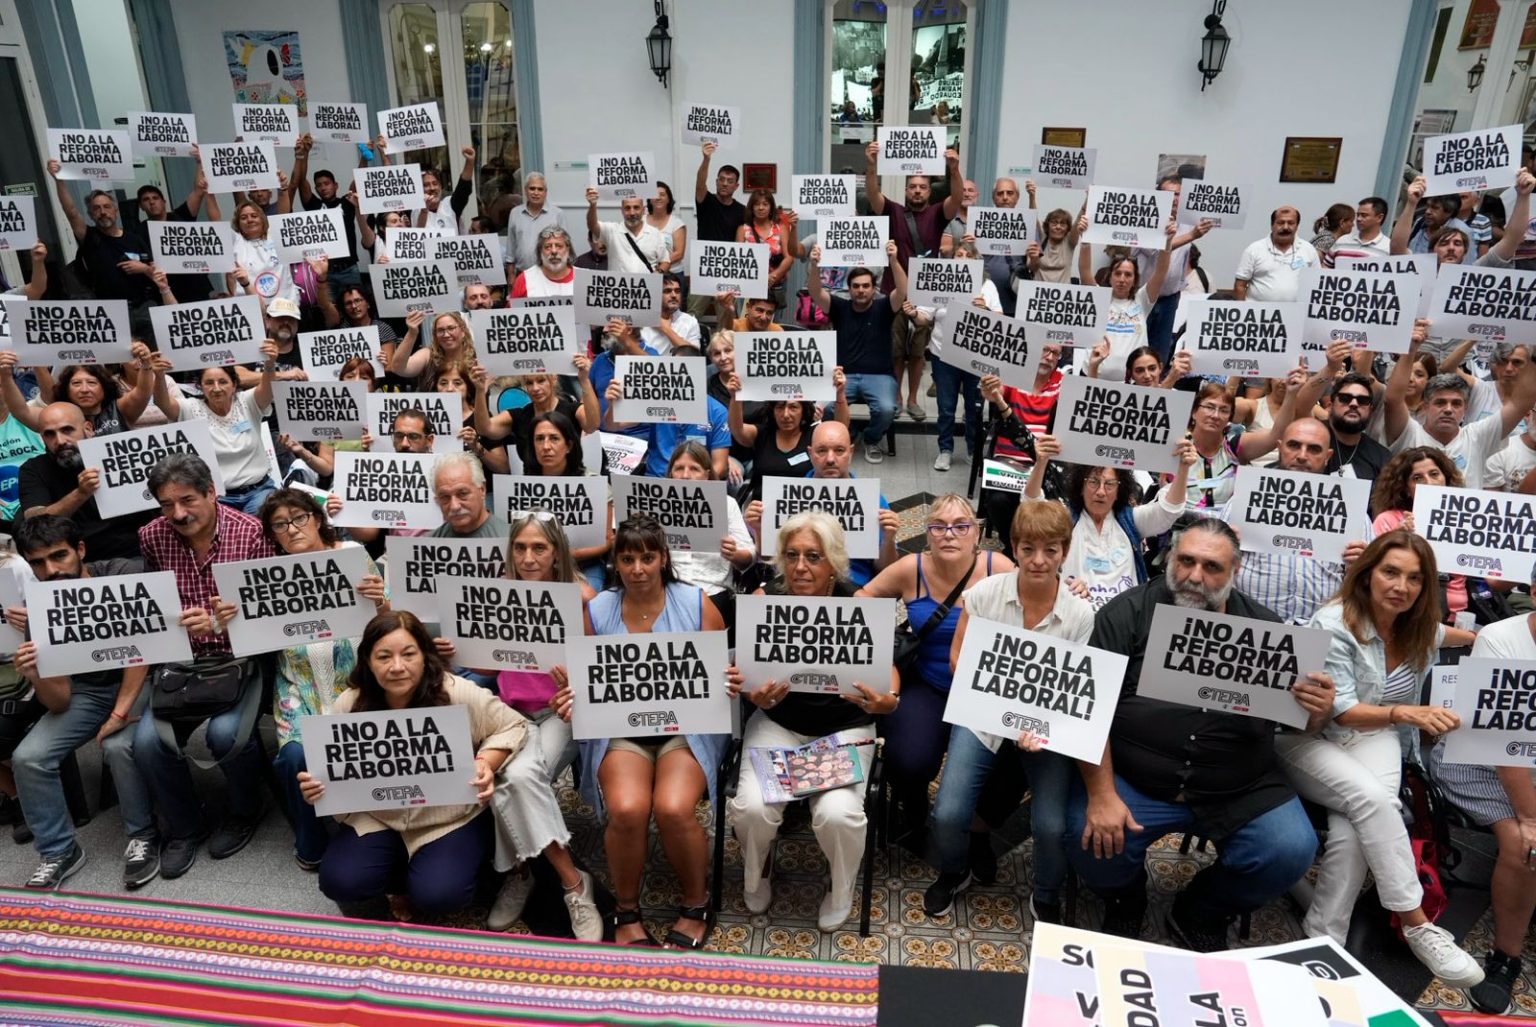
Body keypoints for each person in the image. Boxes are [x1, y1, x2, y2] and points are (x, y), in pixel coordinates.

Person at [1069, 519, 1336, 951]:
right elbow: (1088, 710)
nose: (1195, 576)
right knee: (1084, 836)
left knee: (1289, 849)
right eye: (1186, 560)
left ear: (1236, 571)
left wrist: (1318, 714)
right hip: (1137, 778)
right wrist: (1101, 795)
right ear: (1169, 558)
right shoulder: (1127, 613)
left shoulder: (1268, 630)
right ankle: (1125, 894)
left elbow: (1295, 722)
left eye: (1211, 567)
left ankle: (1203, 907)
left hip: (1237, 783)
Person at [1275, 532, 1481, 985]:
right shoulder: (1333, 621)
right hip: (1310, 737)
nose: (1401, 586)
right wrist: (1404, 711)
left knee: (1355, 832)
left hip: (1379, 736)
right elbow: (1343, 712)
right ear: (1367, 573)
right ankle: (1418, 924)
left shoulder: (1418, 626)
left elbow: (1446, 633)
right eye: (1390, 572)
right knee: (1375, 802)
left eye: (1414, 578)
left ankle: (1322, 941)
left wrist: (1483, 640)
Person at [550, 515, 729, 948]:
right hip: (621, 731)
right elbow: (587, 682)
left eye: (648, 557)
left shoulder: (697, 602)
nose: (638, 569)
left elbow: (720, 675)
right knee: (628, 808)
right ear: (616, 562)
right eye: (628, 558)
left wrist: (731, 679)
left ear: (663, 558)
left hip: (685, 730)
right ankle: (626, 908)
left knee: (671, 807)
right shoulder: (598, 610)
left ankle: (695, 900)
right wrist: (571, 698)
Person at [923, 500, 1092, 922]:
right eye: (1029, 548)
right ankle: (954, 868)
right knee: (947, 812)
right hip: (983, 715)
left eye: (1051, 550)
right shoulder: (983, 595)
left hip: (1047, 726)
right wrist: (1002, 707)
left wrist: (1040, 724)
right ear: (1014, 547)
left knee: (1052, 826)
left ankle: (1048, 892)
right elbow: (958, 659)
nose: (1039, 560)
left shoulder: (1079, 614)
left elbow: (1077, 687)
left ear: (1065, 551)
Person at [724, 511, 892, 931]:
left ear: (833, 562)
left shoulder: (859, 604)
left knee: (838, 814)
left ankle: (841, 886)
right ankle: (756, 868)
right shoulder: (764, 599)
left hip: (844, 727)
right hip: (779, 722)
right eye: (793, 555)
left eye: (813, 556)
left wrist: (885, 702)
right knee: (750, 808)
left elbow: (889, 679)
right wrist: (751, 694)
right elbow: (742, 673)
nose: (801, 566)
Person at [298, 610, 524, 921]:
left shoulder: (456, 691)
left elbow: (514, 726)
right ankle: (398, 884)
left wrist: (485, 761)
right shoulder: (349, 704)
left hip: (448, 818)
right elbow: (332, 772)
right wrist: (317, 787)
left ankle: (451, 869)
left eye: (408, 654)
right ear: (367, 661)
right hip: (379, 817)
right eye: (383, 657)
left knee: (440, 895)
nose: (397, 667)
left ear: (424, 655)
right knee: (341, 880)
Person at [207, 490, 390, 871]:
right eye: (279, 524)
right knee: (293, 756)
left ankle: (373, 827)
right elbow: (245, 633)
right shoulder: (264, 575)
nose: (291, 529)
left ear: (317, 518)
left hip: (356, 684)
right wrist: (225, 620)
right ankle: (310, 837)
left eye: (299, 518)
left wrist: (380, 600)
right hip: (297, 688)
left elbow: (390, 623)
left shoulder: (351, 554)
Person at [133, 453, 279, 879]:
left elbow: (273, 612)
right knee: (147, 744)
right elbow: (151, 604)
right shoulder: (151, 536)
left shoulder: (251, 534)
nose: (177, 513)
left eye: (188, 500)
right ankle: (184, 827)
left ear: (212, 493)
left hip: (240, 657)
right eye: (166, 504)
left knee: (225, 734)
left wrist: (222, 620)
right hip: (180, 664)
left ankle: (244, 809)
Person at [8, 515, 157, 889]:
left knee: (119, 745)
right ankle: (59, 851)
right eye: (38, 563)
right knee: (28, 757)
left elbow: (144, 651)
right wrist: (35, 673)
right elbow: (59, 703)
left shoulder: (122, 574)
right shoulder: (40, 608)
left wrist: (121, 712)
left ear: (81, 550)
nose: (51, 570)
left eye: (59, 556)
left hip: (143, 679)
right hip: (86, 693)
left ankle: (143, 836)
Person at [858, 495, 1011, 843]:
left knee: (1001, 766)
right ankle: (913, 806)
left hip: (983, 691)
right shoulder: (911, 568)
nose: (949, 534)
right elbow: (863, 600)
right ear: (927, 535)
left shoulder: (998, 567)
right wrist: (877, 644)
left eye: (961, 526)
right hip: (929, 682)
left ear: (977, 533)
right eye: (938, 526)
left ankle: (978, 830)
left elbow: (1039, 595)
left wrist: (1070, 586)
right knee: (907, 758)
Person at [479, 512, 603, 940]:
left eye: (539, 548)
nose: (528, 557)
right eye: (520, 548)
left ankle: (524, 873)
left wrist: (576, 685)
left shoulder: (579, 597)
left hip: (557, 714)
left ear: (556, 553)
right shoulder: (497, 593)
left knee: (515, 776)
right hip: (509, 715)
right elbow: (485, 661)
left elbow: (595, 670)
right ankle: (568, 879)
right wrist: (454, 649)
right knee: (510, 775)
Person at [1427, 599, 1536, 1013]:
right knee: (1522, 844)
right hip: (1479, 761)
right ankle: (1505, 958)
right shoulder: (1500, 640)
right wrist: (1529, 817)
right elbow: (1500, 743)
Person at [1025, 434, 1194, 609]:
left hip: (1124, 620)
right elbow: (1031, 510)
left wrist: (1183, 468)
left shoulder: (1131, 521)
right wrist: (1041, 462)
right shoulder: (1065, 520)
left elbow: (1169, 511)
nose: (1100, 491)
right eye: (1093, 482)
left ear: (1119, 491)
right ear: (1080, 488)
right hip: (1076, 615)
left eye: (1110, 484)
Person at [865, 139, 965, 418]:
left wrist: (954, 170)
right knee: (895, 350)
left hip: (927, 293)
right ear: (906, 190)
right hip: (893, 291)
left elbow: (957, 198)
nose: (917, 190)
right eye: (913, 186)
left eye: (922, 186)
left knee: (918, 352)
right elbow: (873, 195)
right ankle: (896, 396)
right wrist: (872, 166)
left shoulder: (937, 213)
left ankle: (912, 399)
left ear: (929, 191)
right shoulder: (894, 210)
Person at [743, 420, 900, 588]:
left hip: (852, 585)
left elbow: (886, 569)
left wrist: (888, 540)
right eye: (822, 451)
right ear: (811, 453)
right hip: (798, 583)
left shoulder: (872, 500)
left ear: (851, 452)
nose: (830, 459)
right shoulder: (786, 496)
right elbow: (767, 558)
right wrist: (759, 530)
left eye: (839, 450)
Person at [1381, 328, 1536, 490]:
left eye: (1456, 404)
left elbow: (1521, 403)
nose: (1448, 409)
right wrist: (1411, 350)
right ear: (1425, 406)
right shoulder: (1409, 433)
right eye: (1440, 403)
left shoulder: (1478, 437)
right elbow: (1392, 400)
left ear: (1466, 408)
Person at [17, 400, 156, 562]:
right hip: (79, 562)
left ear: (88, 429)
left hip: (139, 553)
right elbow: (35, 519)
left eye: (67, 430)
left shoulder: (123, 452)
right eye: (49, 434)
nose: (60, 441)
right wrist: (80, 493)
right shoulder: (34, 468)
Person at [806, 242, 907, 464]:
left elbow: (902, 291)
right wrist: (814, 265)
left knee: (887, 409)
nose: (861, 290)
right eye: (856, 286)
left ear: (874, 288)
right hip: (845, 377)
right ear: (849, 289)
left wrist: (893, 260)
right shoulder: (840, 307)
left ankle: (871, 439)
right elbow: (815, 291)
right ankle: (846, 436)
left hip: (880, 376)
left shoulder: (884, 308)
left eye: (865, 286)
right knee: (827, 408)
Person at [152, 345, 279, 515]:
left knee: (257, 516)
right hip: (218, 498)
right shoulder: (190, 408)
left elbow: (268, 389)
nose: (216, 388)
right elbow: (163, 403)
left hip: (259, 491)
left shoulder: (247, 401)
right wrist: (159, 376)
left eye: (223, 382)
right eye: (209, 383)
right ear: (200, 387)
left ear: (234, 385)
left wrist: (270, 364)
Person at [663, 441, 755, 601]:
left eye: (694, 469)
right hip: (665, 591)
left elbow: (749, 558)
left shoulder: (727, 504)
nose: (685, 475)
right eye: (679, 468)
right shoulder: (655, 503)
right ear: (671, 473)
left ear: (706, 474)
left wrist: (735, 554)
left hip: (713, 592)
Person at [1078, 225, 1172, 380]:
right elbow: (1084, 270)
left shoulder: (1142, 299)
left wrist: (1167, 242)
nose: (1122, 279)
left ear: (1135, 278)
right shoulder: (1098, 297)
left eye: (1128, 274)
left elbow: (1161, 271)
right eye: (1118, 273)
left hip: (1130, 383)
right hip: (1092, 376)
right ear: (1110, 277)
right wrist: (1086, 239)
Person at [470, 359, 598, 470]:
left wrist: (585, 380)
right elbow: (485, 429)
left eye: (541, 381)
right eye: (529, 383)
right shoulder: (519, 415)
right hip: (533, 490)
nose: (535, 388)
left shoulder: (572, 410)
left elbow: (592, 425)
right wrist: (480, 391)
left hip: (567, 486)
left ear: (553, 378)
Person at [689, 142, 746, 317]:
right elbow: (700, 183)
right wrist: (706, 159)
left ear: (736, 186)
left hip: (728, 270)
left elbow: (742, 241)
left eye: (730, 181)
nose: (724, 184)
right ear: (716, 182)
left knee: (726, 318)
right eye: (721, 179)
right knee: (692, 315)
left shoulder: (742, 211)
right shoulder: (706, 200)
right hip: (704, 267)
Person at [1232, 206, 1319, 301]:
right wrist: (1244, 312)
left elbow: (1317, 283)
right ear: (1272, 225)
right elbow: (1240, 286)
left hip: (1295, 313)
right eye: (1280, 223)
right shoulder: (1254, 249)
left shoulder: (1309, 250)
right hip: (1258, 314)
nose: (1286, 227)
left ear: (1297, 226)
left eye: (1291, 223)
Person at [734, 189, 794, 312]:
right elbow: (737, 260)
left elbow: (789, 257)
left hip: (775, 285)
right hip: (748, 287)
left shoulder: (781, 228)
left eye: (765, 204)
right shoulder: (743, 230)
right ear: (752, 207)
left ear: (771, 208)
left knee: (773, 326)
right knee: (746, 325)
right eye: (757, 204)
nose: (761, 208)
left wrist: (773, 276)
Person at [585, 190, 670, 274]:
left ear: (643, 210)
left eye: (636, 207)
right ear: (621, 210)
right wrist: (593, 204)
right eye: (627, 208)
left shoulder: (655, 234)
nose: (632, 213)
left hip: (646, 286)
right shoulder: (611, 231)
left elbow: (665, 261)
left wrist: (656, 275)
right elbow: (592, 225)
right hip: (619, 286)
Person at [391, 310, 477, 388]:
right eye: (440, 330)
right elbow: (398, 368)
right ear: (435, 335)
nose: (446, 335)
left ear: (463, 331)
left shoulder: (477, 357)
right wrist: (412, 332)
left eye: (451, 328)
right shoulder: (428, 355)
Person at [504, 172, 564, 281]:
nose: (536, 193)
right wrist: (511, 275)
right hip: (522, 275)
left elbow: (564, 248)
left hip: (549, 275)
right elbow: (510, 248)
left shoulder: (557, 214)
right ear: (525, 190)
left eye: (540, 189)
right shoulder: (515, 213)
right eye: (532, 188)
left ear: (545, 192)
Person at [415, 150, 476, 235]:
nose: (432, 188)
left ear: (440, 187)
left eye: (435, 183)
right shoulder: (416, 211)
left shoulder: (450, 205)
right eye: (426, 185)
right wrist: (424, 211)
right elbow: (417, 235)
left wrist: (470, 161)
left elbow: (463, 188)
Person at [638, 274, 701, 356]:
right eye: (667, 291)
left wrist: (666, 329)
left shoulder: (690, 321)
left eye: (677, 291)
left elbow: (694, 357)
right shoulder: (641, 319)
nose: (674, 295)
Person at [510, 224, 577, 300]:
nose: (554, 251)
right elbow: (511, 311)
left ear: (568, 249)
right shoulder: (525, 279)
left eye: (559, 246)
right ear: (540, 251)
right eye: (547, 247)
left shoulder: (584, 279)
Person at [646, 181, 687, 273]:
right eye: (655, 195)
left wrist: (658, 266)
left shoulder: (676, 223)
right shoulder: (641, 221)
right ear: (650, 200)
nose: (658, 198)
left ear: (668, 200)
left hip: (673, 275)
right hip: (645, 273)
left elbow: (679, 253)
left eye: (662, 195)